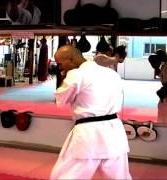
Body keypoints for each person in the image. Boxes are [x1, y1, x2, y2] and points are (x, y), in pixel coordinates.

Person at [50, 45, 131, 179]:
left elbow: (61, 99)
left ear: (71, 60)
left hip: (88, 134)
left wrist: (65, 78)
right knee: (120, 177)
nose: (59, 68)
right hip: (115, 132)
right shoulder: (112, 74)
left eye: (60, 63)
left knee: (65, 175)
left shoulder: (76, 74)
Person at [149, 49, 167, 123]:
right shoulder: (166, 63)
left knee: (163, 114)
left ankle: (162, 131)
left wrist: (164, 93)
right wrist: (156, 68)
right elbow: (161, 75)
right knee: (162, 111)